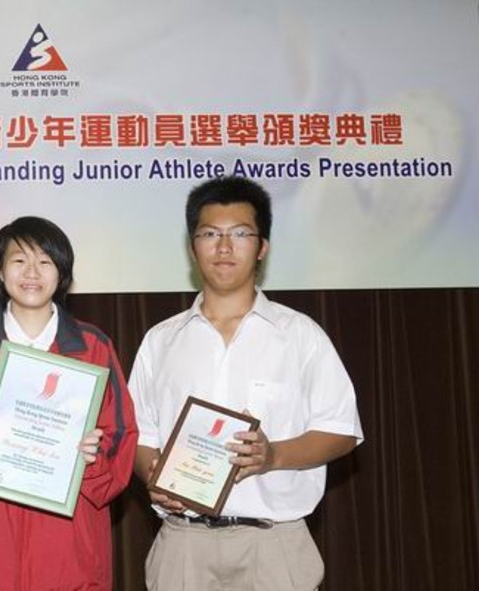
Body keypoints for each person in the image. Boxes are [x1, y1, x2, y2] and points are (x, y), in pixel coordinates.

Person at [129, 177, 363, 591]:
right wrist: (155, 476)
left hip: (273, 544)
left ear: (262, 247)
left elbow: (342, 431)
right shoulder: (161, 340)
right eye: (209, 234)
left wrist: (273, 456)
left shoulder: (299, 335)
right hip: (184, 544)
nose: (223, 247)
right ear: (191, 247)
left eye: (239, 234)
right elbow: (138, 435)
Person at [0, 216, 137, 590]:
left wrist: (92, 460)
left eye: (45, 262)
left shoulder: (93, 347)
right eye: (19, 260)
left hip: (70, 545)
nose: (32, 272)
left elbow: (122, 442)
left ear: (62, 274)